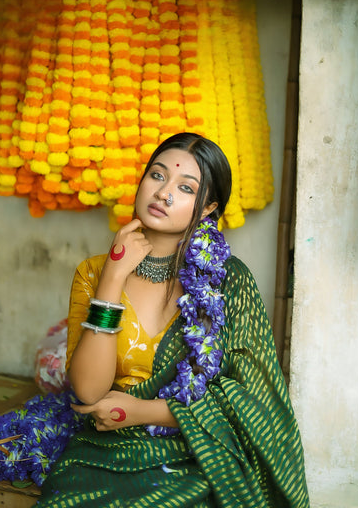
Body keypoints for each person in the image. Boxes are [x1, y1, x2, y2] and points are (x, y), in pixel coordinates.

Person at [36, 132, 309, 507]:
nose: (164, 193)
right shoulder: (94, 272)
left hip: (196, 454)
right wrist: (113, 278)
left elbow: (255, 400)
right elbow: (88, 392)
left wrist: (144, 412)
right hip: (104, 451)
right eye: (158, 175)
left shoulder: (230, 280)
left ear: (209, 207)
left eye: (185, 188)